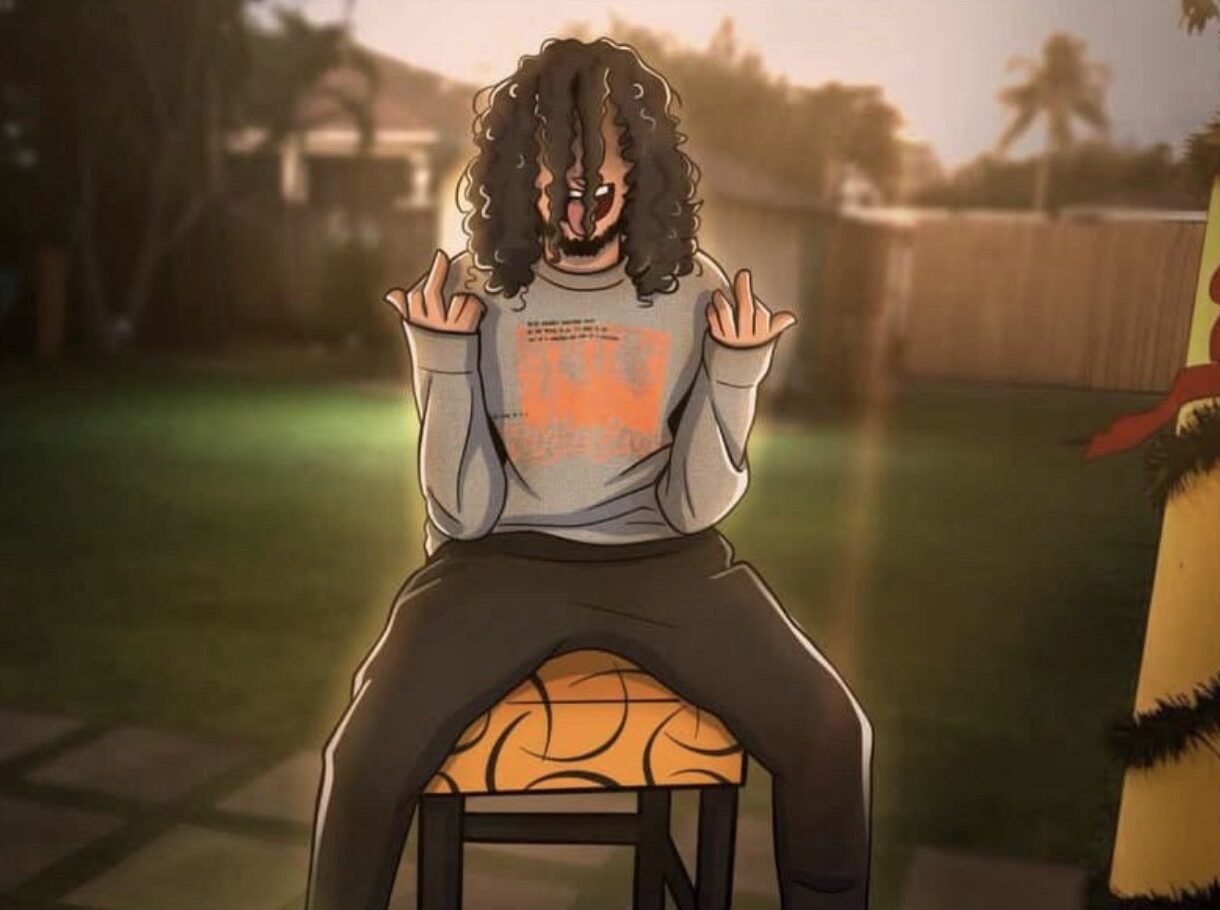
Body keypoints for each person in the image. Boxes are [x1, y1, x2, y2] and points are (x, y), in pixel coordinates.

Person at [306, 37, 873, 910]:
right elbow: (463, 514)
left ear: (639, 174)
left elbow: (694, 507)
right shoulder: (474, 288)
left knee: (835, 732)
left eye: (600, 185)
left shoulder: (692, 290)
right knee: (365, 755)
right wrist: (442, 358)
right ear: (519, 175)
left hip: (665, 559)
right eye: (556, 184)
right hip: (499, 560)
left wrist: (735, 374)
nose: (578, 209)